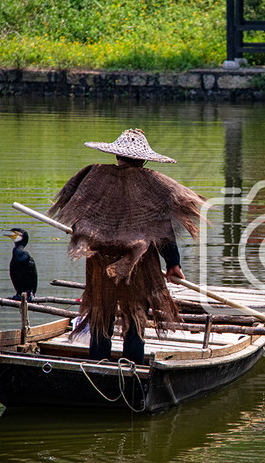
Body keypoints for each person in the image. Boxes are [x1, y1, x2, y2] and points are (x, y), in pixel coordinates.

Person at [48, 127, 204, 365]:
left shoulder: (95, 176)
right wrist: (173, 263)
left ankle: (97, 367)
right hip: (138, 263)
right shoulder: (152, 183)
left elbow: (80, 215)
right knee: (135, 315)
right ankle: (132, 369)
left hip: (101, 260)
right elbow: (164, 231)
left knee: (101, 314)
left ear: (116, 156)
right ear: (142, 159)